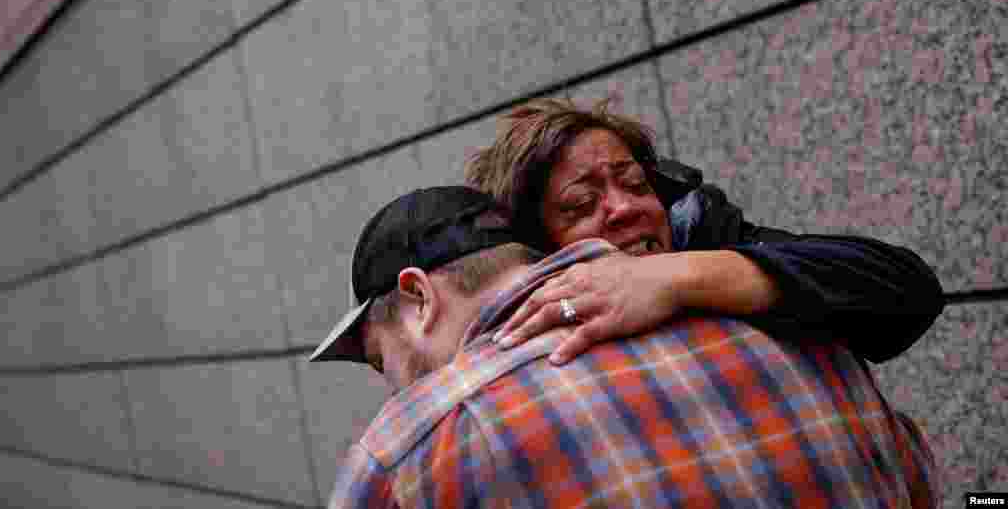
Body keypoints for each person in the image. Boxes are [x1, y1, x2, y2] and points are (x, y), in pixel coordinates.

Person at [312, 186, 938, 508]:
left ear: (419, 298)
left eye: (379, 359)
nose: (391, 384)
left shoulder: (408, 453)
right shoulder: (800, 323)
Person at [464, 98, 945, 365]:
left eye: (635, 183)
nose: (626, 207)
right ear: (535, 250)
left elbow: (908, 292)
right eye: (582, 205)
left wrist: (679, 277)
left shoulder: (700, 229)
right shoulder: (520, 353)